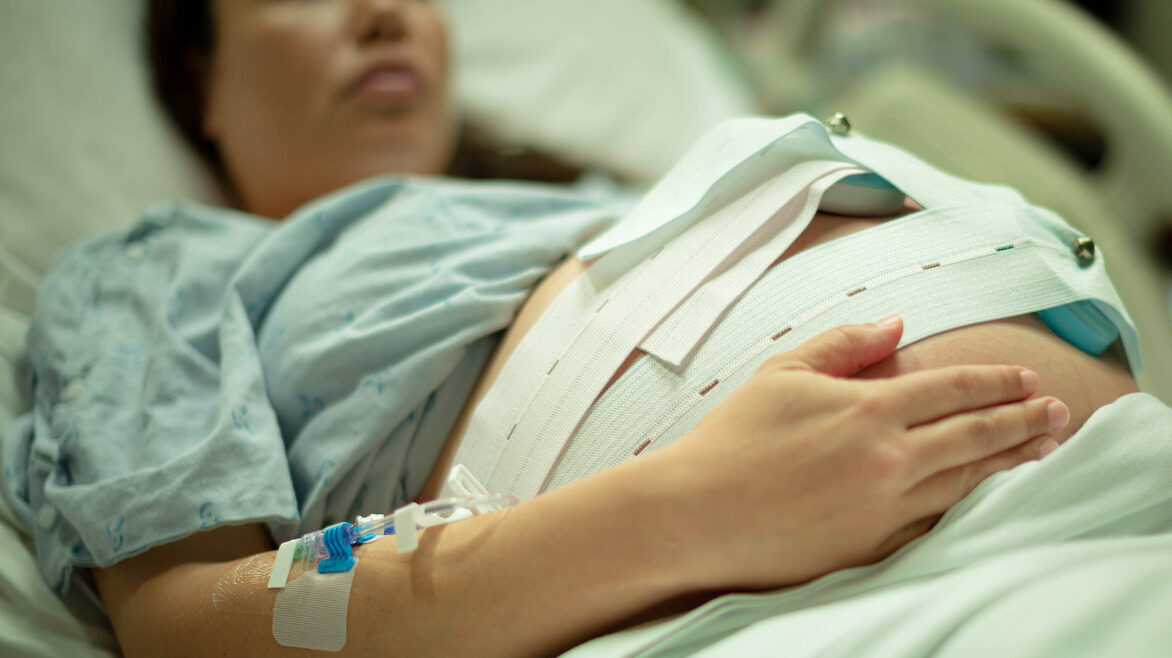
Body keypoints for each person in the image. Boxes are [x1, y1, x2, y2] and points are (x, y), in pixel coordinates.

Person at [1, 1, 1137, 657]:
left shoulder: (593, 196)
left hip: (1105, 495)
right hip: (782, 604)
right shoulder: (159, 270)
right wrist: (693, 515)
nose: (384, 11)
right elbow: (186, 628)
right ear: (198, 81)